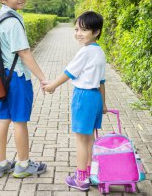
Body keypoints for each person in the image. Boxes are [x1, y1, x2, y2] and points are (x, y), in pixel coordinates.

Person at [0, 0, 47, 179]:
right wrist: (42, 77)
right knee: (20, 121)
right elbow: (24, 53)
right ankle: (23, 165)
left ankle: (0, 163)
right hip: (16, 77)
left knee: (2, 118)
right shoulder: (13, 22)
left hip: (1, 77)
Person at [43, 11, 108, 191]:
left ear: (96, 32)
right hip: (95, 98)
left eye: (84, 30)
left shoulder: (85, 52)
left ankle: (81, 179)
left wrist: (52, 86)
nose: (78, 33)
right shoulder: (100, 52)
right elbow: (102, 82)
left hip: (84, 97)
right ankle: (89, 174)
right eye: (76, 29)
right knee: (89, 140)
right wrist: (103, 104)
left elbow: (68, 73)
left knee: (81, 140)